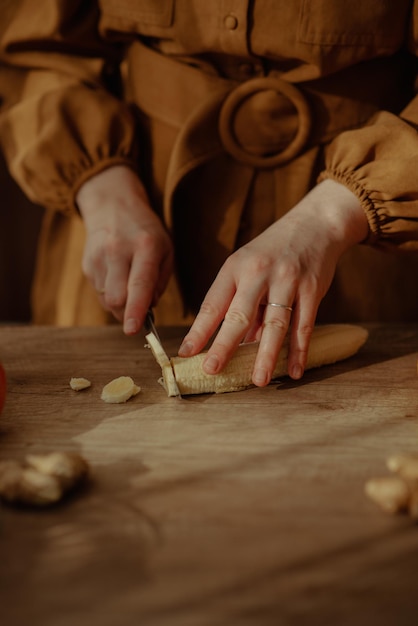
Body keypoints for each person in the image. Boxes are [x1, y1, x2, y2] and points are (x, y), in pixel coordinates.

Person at [1, 1, 418, 387]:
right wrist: (101, 184)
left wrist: (334, 214)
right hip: (127, 205)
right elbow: (35, 48)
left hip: (370, 230)